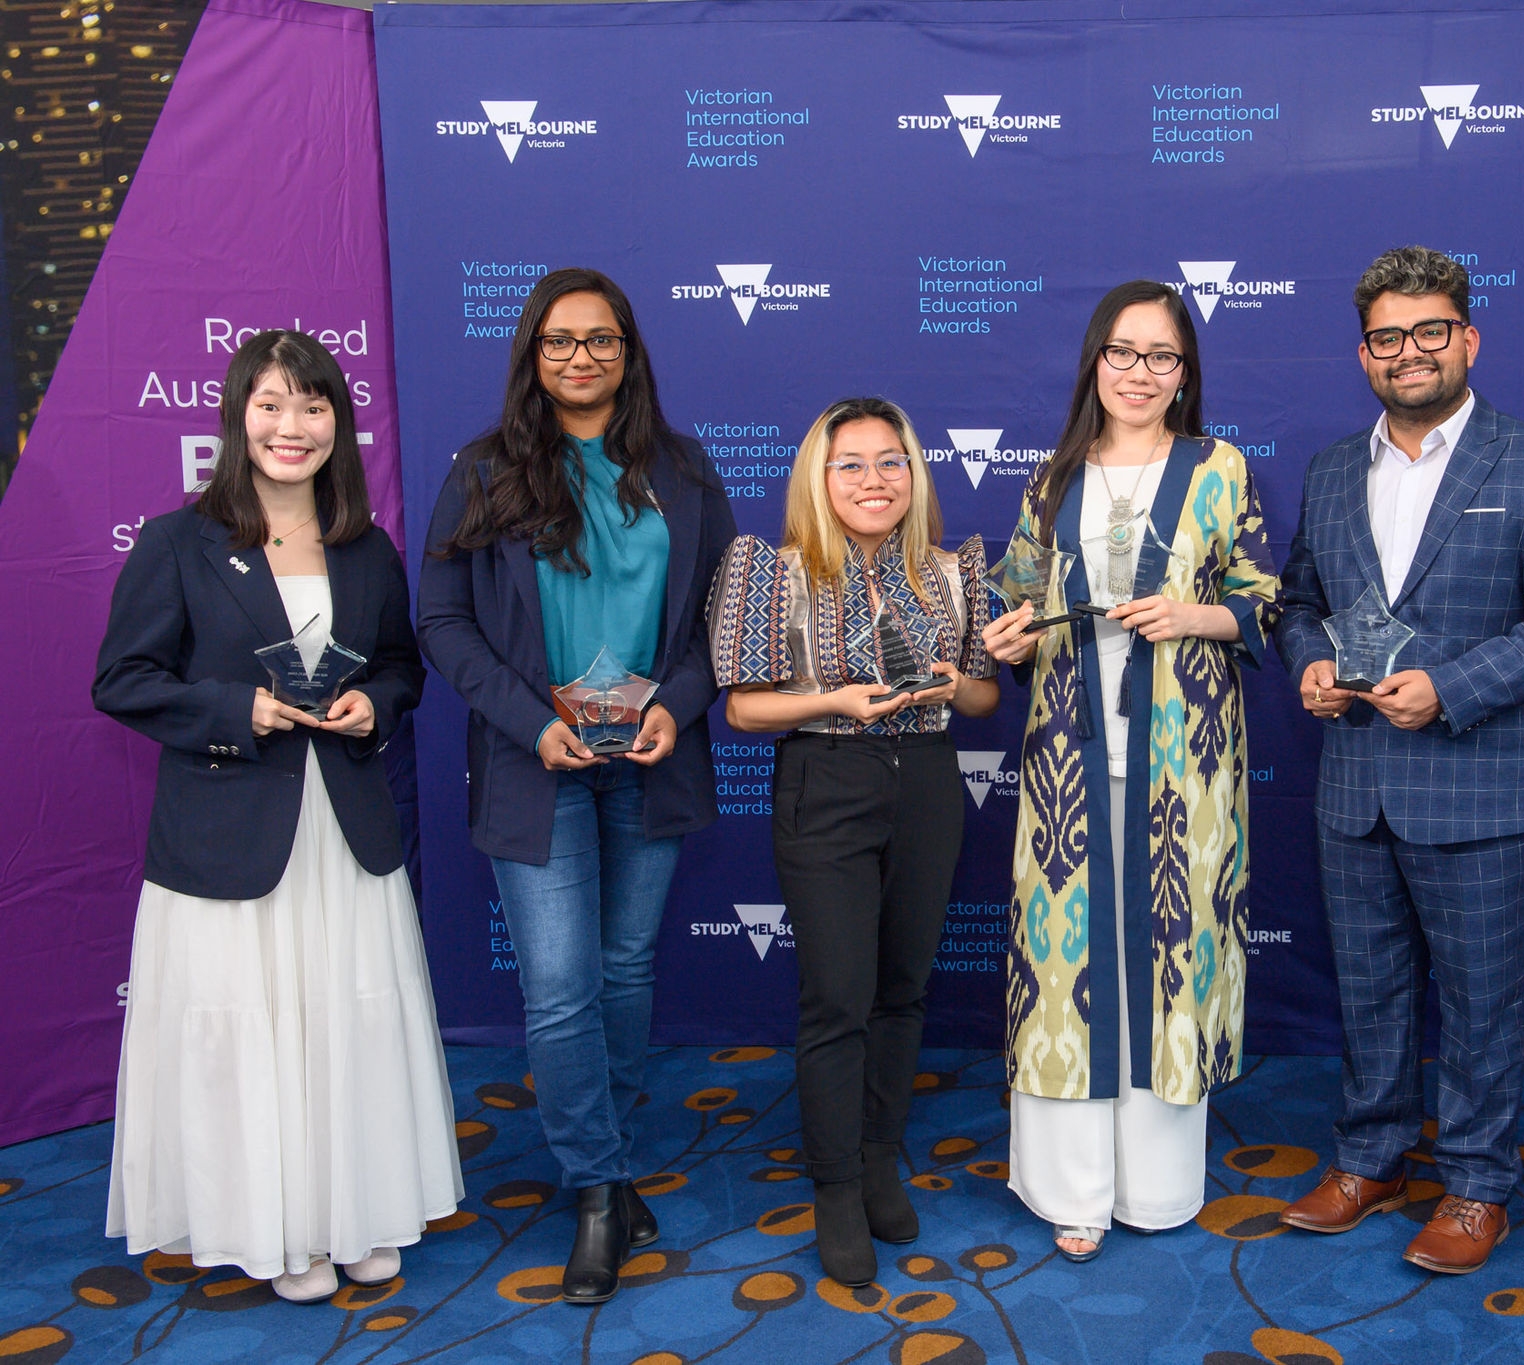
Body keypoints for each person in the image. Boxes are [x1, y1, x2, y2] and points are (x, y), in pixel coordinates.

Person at [93, 330, 461, 1302]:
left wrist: (373, 703)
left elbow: (398, 667)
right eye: (269, 404)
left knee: (348, 1026)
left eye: (311, 406)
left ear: (338, 423)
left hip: (344, 836)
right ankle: (283, 1229)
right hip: (227, 836)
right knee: (252, 1033)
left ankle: (359, 1214)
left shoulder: (366, 547)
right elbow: (122, 680)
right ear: (236, 417)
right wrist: (234, 711)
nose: (290, 426)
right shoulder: (178, 543)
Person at [1276, 246, 1524, 1274]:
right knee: (1367, 988)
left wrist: (1449, 690)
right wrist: (1309, 660)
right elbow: (1294, 603)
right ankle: (1369, 1156)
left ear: (1467, 339)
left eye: (1429, 332)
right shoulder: (1332, 468)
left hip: (1478, 779)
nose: (1407, 353)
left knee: (1479, 998)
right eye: (1386, 337)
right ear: (1362, 352)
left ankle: (1474, 1184)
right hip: (1355, 780)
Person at [416, 268, 735, 1305]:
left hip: (649, 757)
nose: (580, 357)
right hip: (534, 761)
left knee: (626, 969)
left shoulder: (685, 474)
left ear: (629, 354)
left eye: (600, 340)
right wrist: (532, 724)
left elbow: (714, 630)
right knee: (560, 987)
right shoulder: (483, 469)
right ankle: (599, 1188)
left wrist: (671, 708)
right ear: (532, 355)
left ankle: (608, 1157)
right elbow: (443, 623)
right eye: (559, 341)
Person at [982, 280, 1281, 1263]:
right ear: (1093, 362)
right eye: (1123, 353)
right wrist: (1007, 633)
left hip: (1184, 754)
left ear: (1184, 373)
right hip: (1066, 751)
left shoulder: (1216, 468)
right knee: (1069, 957)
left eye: (1161, 358)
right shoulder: (1052, 477)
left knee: (1169, 949)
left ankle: (1154, 1187)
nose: (1140, 374)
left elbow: (1264, 600)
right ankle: (1070, 1187)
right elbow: (1013, 598)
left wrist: (1194, 615)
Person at [709, 397, 999, 1288]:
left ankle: (878, 1153)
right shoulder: (774, 569)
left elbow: (983, 700)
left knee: (904, 988)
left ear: (914, 474)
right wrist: (831, 700)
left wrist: (954, 680)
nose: (874, 480)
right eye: (852, 465)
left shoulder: (954, 573)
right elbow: (744, 707)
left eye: (891, 462)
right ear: (818, 479)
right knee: (839, 993)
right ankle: (834, 1186)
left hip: (926, 781)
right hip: (824, 781)